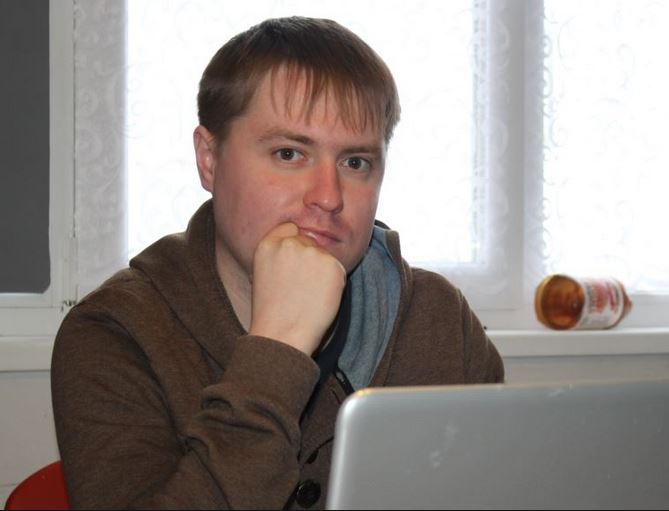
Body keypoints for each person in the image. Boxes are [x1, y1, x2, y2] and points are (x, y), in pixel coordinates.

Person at [51, 16, 504, 510]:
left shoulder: (439, 320)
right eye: (289, 154)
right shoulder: (115, 334)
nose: (328, 196)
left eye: (355, 162)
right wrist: (277, 351)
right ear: (209, 159)